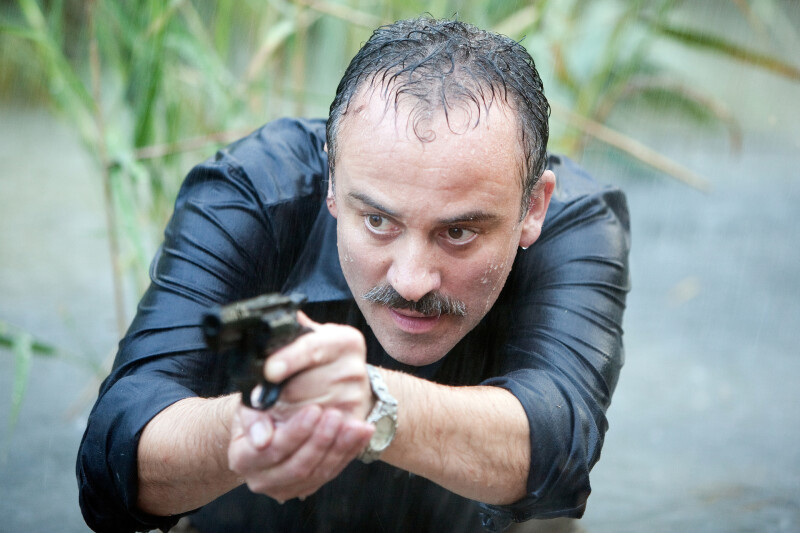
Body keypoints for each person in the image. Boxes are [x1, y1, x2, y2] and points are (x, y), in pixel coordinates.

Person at [77, 17, 630, 533]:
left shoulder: (577, 222)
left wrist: (366, 400)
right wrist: (259, 419)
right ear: (331, 183)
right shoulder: (253, 194)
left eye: (459, 232)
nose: (411, 281)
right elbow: (112, 461)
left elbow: (562, 448)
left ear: (534, 208)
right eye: (378, 221)